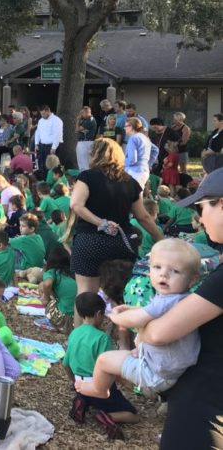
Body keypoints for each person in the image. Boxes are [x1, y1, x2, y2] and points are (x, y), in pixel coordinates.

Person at [134, 168, 223, 448]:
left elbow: (161, 333)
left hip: (204, 404)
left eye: (202, 206)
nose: (199, 217)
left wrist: (140, 325)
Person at [77, 238, 200, 403]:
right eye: (157, 267)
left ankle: (98, 389)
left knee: (104, 360)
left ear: (192, 279)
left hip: (157, 373)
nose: (163, 274)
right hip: (175, 366)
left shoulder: (166, 300)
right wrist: (133, 310)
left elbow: (137, 320)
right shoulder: (184, 298)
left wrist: (116, 316)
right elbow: (152, 314)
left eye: (175, 271)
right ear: (149, 270)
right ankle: (139, 352)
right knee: (141, 335)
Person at [70, 138, 163, 312]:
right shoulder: (131, 182)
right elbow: (143, 216)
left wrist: (101, 223)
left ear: (95, 154)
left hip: (90, 241)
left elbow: (76, 205)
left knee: (85, 295)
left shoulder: (87, 176)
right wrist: (160, 238)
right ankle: (124, 338)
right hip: (122, 242)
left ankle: (81, 337)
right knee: (121, 296)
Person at [65, 292, 140, 440]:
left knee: (87, 395)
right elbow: (110, 367)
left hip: (80, 385)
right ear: (99, 313)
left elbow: (66, 363)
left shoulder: (75, 333)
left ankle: (82, 400)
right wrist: (125, 382)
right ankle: (106, 416)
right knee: (134, 415)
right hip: (99, 388)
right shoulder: (102, 338)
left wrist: (74, 382)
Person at [40, 246, 77, 334]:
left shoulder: (52, 272)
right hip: (78, 319)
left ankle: (54, 322)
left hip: (64, 318)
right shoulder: (72, 275)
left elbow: (47, 284)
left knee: (42, 285)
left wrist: (46, 297)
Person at [123, 117, 157, 188]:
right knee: (139, 195)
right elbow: (155, 150)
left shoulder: (133, 138)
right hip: (144, 171)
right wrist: (148, 163)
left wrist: (124, 165)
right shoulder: (145, 137)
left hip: (134, 172)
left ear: (131, 127)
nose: (124, 128)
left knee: (131, 196)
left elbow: (132, 160)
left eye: (126, 126)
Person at [34, 105, 63, 171]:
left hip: (52, 146)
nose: (42, 115)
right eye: (41, 114)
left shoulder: (57, 120)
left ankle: (53, 180)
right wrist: (36, 144)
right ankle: (44, 179)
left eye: (43, 114)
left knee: (53, 166)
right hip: (42, 146)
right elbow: (37, 132)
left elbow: (57, 135)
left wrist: (53, 148)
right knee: (43, 164)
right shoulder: (40, 121)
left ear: (48, 111)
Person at [75, 106, 98, 172]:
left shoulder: (90, 119)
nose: (81, 115)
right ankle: (82, 177)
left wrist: (78, 120)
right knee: (81, 161)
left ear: (87, 112)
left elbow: (77, 129)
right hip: (81, 142)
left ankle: (87, 178)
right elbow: (76, 130)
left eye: (82, 113)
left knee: (86, 162)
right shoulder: (84, 120)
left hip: (87, 142)